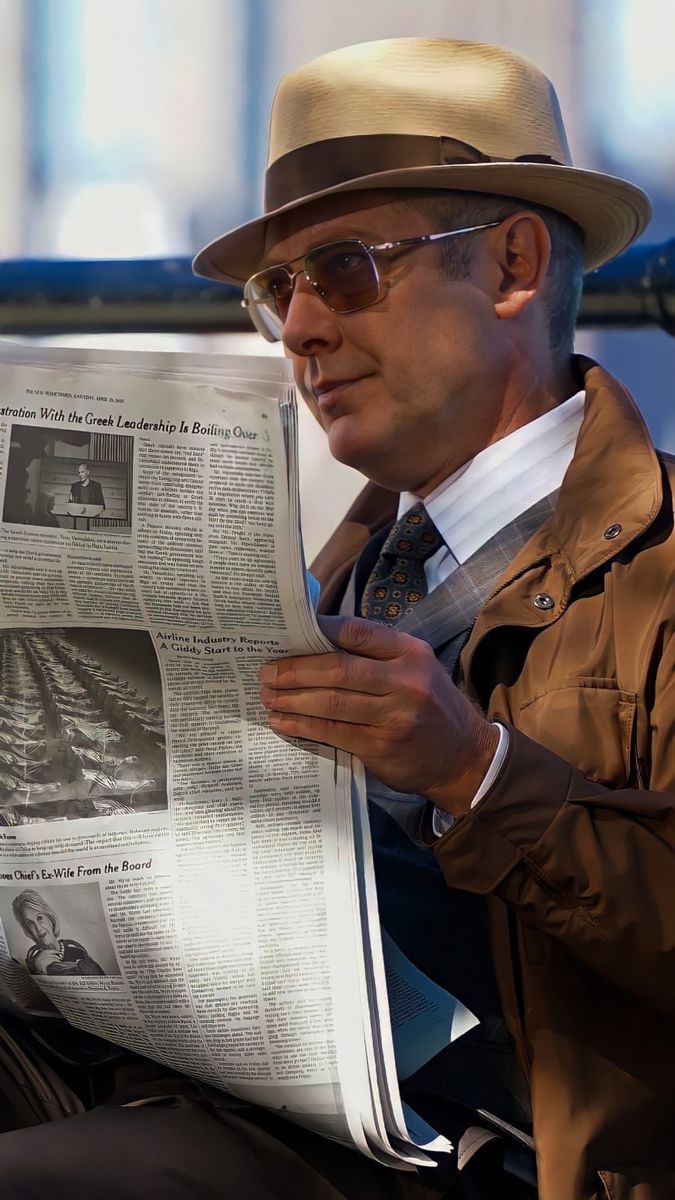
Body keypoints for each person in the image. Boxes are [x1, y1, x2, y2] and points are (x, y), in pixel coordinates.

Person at [0, 36, 673, 1200]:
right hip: (215, 1092)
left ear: (512, 264)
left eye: (349, 269)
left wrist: (476, 772)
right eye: (278, 291)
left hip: (484, 1159)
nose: (302, 328)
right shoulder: (341, 568)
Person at [11, 890, 105, 977]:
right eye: (30, 923)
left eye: (39, 918)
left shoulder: (77, 950)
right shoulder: (32, 961)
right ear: (27, 929)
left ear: (50, 919)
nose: (38, 928)